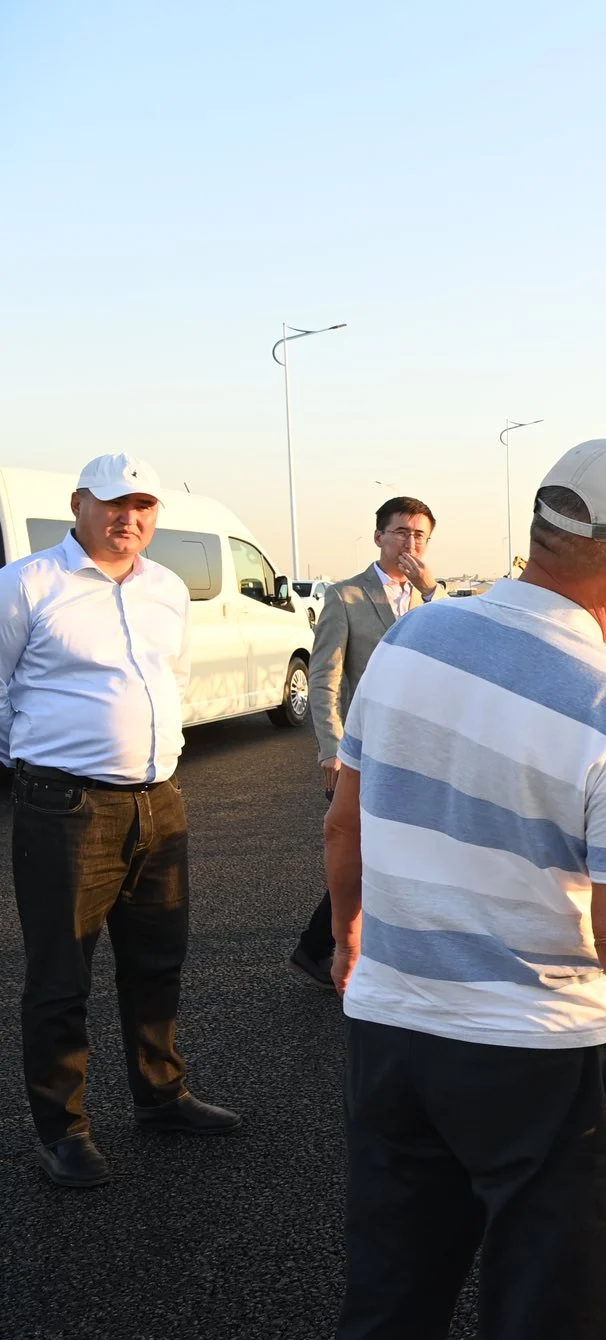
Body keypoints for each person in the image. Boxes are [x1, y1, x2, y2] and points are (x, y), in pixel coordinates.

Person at [326, 437, 606, 1340]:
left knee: (390, 1303)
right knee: (548, 1322)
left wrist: (350, 937)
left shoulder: (410, 640)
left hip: (392, 1027)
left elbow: (343, 823)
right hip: (536, 1053)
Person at [0, 455, 240, 1189]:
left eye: (143, 506)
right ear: (78, 503)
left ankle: (162, 1096)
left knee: (157, 961)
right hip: (65, 808)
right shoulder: (28, 583)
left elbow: (173, 679)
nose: (127, 518)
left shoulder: (165, 587)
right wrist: (39, 765)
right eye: (112, 503)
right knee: (61, 975)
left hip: (158, 801)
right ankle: (62, 1130)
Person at [289, 496, 438, 989]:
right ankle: (321, 947)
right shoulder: (346, 595)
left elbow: (452, 654)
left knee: (396, 850)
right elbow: (324, 678)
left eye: (420, 535)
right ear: (379, 537)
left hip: (420, 748)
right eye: (401, 533)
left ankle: (340, 946)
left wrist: (430, 591)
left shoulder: (432, 600)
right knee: (361, 849)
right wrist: (331, 747)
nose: (410, 543)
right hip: (365, 746)